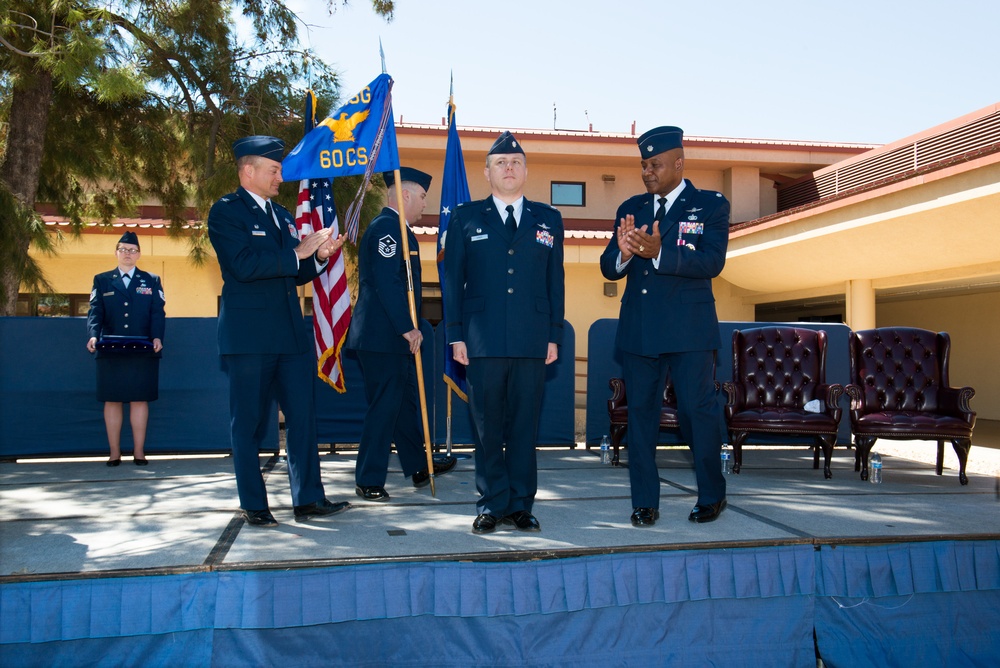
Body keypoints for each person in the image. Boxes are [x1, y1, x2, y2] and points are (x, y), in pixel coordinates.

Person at [207, 135, 350, 528]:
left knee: (304, 417)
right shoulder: (226, 212)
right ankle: (254, 503)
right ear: (248, 171)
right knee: (249, 423)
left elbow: (295, 270)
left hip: (289, 335)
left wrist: (319, 257)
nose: (280, 177)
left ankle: (308, 499)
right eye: (274, 170)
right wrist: (296, 253)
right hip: (249, 338)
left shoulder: (284, 215)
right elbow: (243, 265)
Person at [600, 125, 730, 527]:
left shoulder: (710, 204)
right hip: (641, 330)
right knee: (640, 416)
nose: (647, 171)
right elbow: (608, 266)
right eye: (644, 164)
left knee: (697, 413)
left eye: (655, 164)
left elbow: (712, 262)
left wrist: (660, 254)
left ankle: (711, 495)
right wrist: (622, 255)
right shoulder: (633, 206)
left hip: (690, 331)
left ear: (678, 162)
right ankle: (645, 502)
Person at [443, 131, 565, 534]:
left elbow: (555, 280)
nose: (508, 168)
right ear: (487, 172)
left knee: (524, 426)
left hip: (532, 339)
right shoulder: (465, 217)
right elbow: (451, 280)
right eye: (500, 163)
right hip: (482, 338)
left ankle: (520, 504)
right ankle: (492, 503)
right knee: (487, 425)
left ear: (526, 171)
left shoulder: (548, 218)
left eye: (515, 162)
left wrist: (554, 335)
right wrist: (456, 334)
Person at [346, 168, 457, 502]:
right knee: (384, 407)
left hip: (397, 338)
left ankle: (419, 465)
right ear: (405, 195)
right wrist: (407, 327)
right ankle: (368, 479)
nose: (425, 204)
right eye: (422, 196)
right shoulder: (387, 231)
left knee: (405, 404)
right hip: (384, 338)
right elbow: (387, 283)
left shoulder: (400, 231)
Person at [86, 231, 165, 466]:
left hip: (142, 349)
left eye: (132, 250)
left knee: (140, 399)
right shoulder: (102, 280)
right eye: (123, 249)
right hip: (111, 349)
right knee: (112, 399)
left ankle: (139, 452)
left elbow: (157, 312)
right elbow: (95, 311)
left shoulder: (151, 280)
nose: (127, 254)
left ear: (139, 254)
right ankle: (114, 453)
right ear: (116, 253)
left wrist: (158, 337)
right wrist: (92, 336)